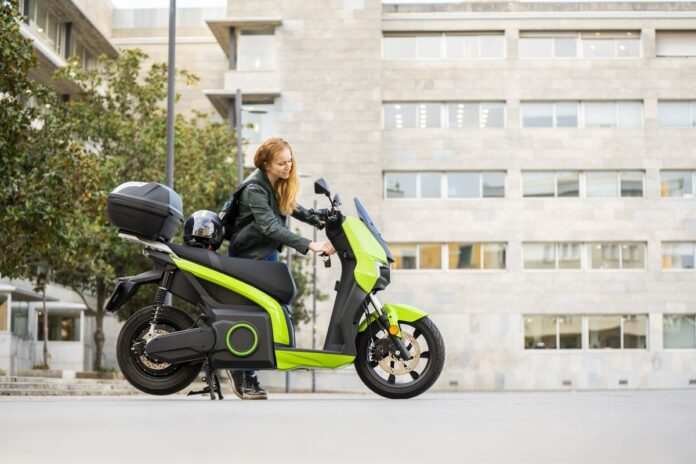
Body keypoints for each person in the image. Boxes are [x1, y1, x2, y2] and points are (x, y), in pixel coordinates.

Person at [227, 137, 335, 400]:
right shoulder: (255, 188)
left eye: (290, 161)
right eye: (281, 163)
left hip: (266, 255)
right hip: (249, 259)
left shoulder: (275, 185)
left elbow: (292, 208)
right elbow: (269, 227)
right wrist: (310, 244)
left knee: (278, 307)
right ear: (267, 164)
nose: (288, 167)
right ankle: (243, 373)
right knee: (259, 314)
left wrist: (323, 218)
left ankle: (249, 370)